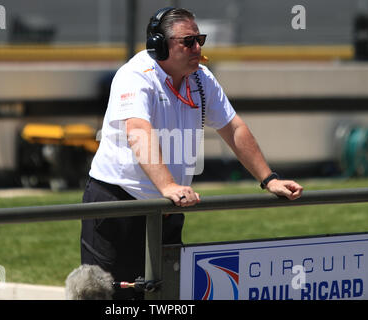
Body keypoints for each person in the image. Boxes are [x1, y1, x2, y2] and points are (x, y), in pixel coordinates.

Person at [80, 7, 303, 300]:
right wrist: (169, 186)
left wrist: (269, 179)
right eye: (188, 41)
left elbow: (234, 128)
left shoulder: (202, 79)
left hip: (167, 206)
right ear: (159, 45)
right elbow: (138, 132)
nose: (198, 47)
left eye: (200, 39)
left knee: (166, 295)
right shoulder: (135, 76)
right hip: (117, 204)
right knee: (107, 296)